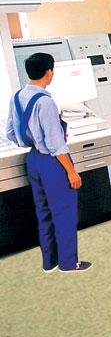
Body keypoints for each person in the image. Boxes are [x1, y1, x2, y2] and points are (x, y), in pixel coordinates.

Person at [5, 53, 91, 273]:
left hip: (33, 160)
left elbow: (10, 133)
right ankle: (68, 263)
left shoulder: (16, 97)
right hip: (53, 163)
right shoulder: (46, 102)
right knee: (64, 213)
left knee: (43, 213)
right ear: (49, 72)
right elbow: (56, 144)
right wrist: (71, 171)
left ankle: (49, 261)